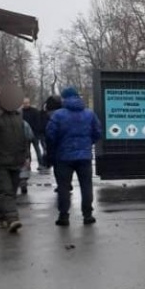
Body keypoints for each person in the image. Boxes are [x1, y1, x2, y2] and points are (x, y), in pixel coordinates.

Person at [45, 86, 102, 226]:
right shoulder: (89, 114)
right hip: (84, 156)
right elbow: (98, 132)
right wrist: (87, 143)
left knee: (63, 187)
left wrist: (55, 148)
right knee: (86, 186)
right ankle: (88, 215)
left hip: (63, 157)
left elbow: (50, 135)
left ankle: (64, 216)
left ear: (64, 99)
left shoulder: (58, 115)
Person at [0, 86, 29, 233]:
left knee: (12, 191)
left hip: (16, 160)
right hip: (0, 161)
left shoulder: (17, 115)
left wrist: (26, 156)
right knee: (6, 191)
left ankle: (3, 216)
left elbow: (23, 138)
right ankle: (12, 219)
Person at [21, 96, 46, 170]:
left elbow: (38, 122)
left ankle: (41, 164)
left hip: (34, 134)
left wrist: (36, 132)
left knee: (37, 149)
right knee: (27, 151)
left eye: (27, 103)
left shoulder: (34, 111)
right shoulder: (21, 112)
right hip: (26, 134)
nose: (26, 104)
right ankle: (28, 165)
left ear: (29, 103)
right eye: (24, 103)